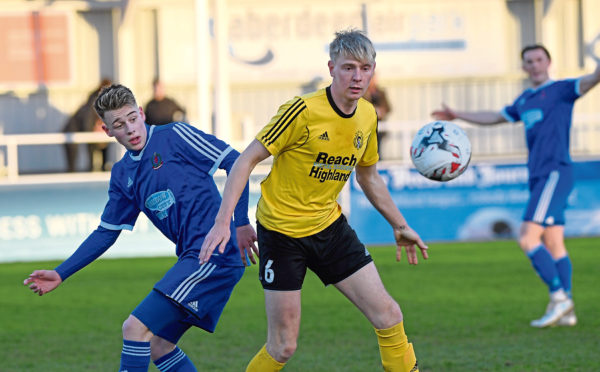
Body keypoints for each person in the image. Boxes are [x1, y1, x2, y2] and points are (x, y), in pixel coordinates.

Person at [200, 29, 428, 372]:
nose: (357, 76)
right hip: (281, 234)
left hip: (330, 228)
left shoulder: (367, 116)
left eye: (365, 68)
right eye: (349, 67)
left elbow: (368, 176)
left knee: (389, 315)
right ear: (331, 67)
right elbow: (245, 160)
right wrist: (226, 220)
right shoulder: (301, 111)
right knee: (283, 346)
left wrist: (400, 225)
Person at [24, 84, 258, 372]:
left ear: (142, 114)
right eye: (119, 125)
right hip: (193, 257)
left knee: (133, 328)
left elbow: (236, 160)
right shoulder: (123, 174)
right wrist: (61, 272)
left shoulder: (174, 135)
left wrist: (241, 222)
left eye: (133, 118)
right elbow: (106, 232)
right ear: (107, 131)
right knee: (160, 347)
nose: (131, 129)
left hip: (214, 254)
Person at [432, 44, 600, 328]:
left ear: (549, 62)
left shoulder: (561, 90)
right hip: (538, 177)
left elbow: (592, 79)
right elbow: (495, 117)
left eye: (538, 59)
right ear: (523, 67)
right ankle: (567, 311)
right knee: (553, 241)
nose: (534, 65)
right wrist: (458, 114)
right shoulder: (525, 100)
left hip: (555, 173)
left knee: (527, 238)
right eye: (528, 61)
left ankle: (559, 297)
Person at [62, 78, 113, 172]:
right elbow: (88, 122)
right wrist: (93, 136)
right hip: (73, 130)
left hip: (87, 129)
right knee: (74, 163)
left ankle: (102, 168)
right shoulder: (94, 102)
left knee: (104, 143)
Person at [363, 73, 392, 156]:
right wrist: (374, 111)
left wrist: (381, 111)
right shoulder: (362, 93)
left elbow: (388, 108)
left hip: (379, 129)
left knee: (378, 153)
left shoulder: (381, 92)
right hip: (367, 129)